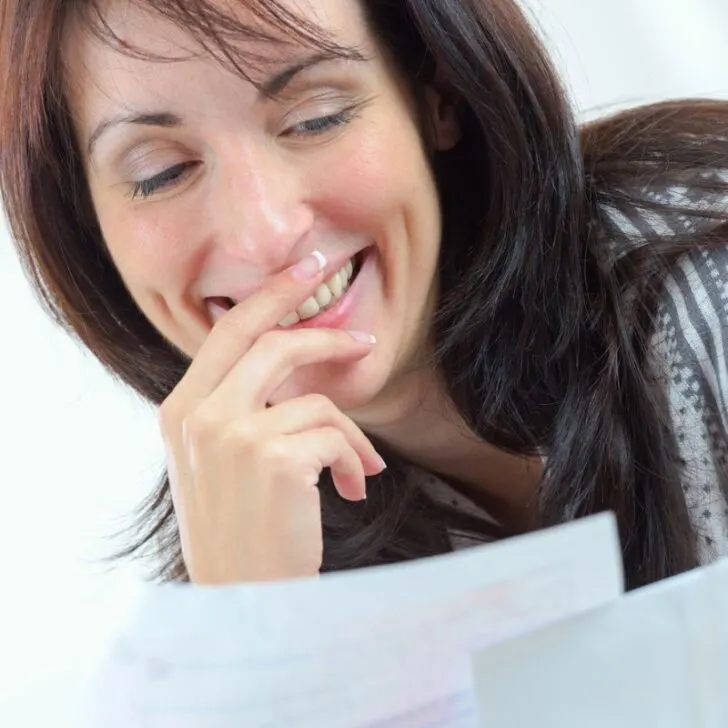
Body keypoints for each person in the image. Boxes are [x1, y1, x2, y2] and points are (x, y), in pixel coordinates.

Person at [1, 0, 728, 590]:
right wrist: (254, 632)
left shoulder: (703, 273)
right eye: (162, 172)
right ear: (89, 227)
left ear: (435, 96)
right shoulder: (242, 571)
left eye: (316, 118)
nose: (266, 233)